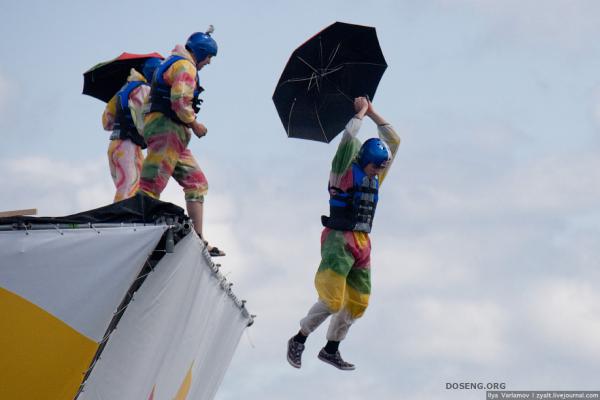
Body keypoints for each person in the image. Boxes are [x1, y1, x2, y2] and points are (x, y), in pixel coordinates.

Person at [287, 97, 400, 370]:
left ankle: (331, 349)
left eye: (381, 168)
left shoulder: (375, 177)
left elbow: (394, 142)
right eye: (376, 167)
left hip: (362, 241)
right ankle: (299, 339)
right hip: (338, 240)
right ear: (365, 161)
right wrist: (360, 113)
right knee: (332, 300)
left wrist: (373, 112)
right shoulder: (343, 172)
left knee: (359, 300)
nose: (378, 173)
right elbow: (348, 139)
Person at [138, 26, 224, 256]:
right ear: (202, 53)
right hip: (167, 129)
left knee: (196, 182)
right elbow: (179, 100)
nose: (209, 63)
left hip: (174, 133)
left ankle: (197, 239)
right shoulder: (185, 66)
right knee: (152, 182)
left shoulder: (174, 63)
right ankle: (137, 229)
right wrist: (195, 123)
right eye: (209, 58)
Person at [102, 58, 161, 202]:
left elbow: (106, 122)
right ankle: (123, 220)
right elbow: (144, 124)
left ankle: (123, 218)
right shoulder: (144, 89)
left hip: (115, 145)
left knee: (123, 187)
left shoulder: (122, 91)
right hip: (129, 146)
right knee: (130, 188)